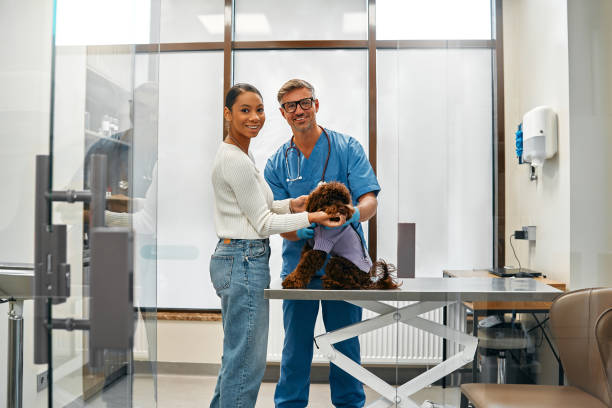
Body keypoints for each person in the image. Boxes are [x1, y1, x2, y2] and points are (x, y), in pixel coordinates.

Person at [210, 83, 344, 408]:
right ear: (228, 114)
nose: (254, 117)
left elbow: (266, 208)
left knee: (237, 357)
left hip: (240, 257)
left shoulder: (242, 154)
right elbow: (264, 224)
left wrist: (295, 204)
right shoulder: (237, 161)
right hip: (242, 259)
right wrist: (312, 216)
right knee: (246, 364)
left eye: (258, 110)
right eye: (245, 110)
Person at [264, 79, 380, 408]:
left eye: (305, 103)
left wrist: (352, 214)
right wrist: (303, 228)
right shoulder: (277, 163)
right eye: (291, 106)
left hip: (344, 270)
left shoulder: (347, 148)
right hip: (300, 269)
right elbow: (277, 222)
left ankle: (349, 404)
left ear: (316, 105)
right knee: (295, 348)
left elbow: (370, 201)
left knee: (345, 347)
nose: (299, 110)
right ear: (283, 113)